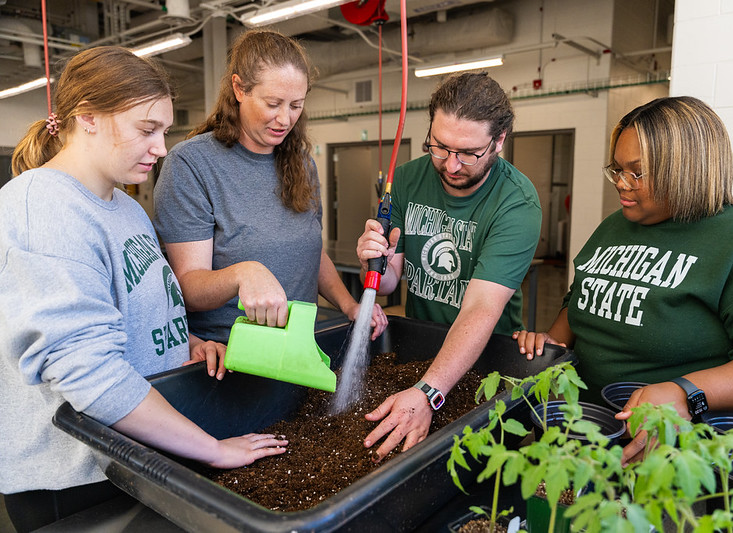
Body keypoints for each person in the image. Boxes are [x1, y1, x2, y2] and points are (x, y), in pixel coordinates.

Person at [0, 47, 288, 533]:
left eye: (165, 132)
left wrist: (185, 342)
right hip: (75, 482)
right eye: (146, 130)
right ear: (87, 117)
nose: (160, 149)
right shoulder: (42, 206)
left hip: (136, 458)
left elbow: (140, 307)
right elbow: (85, 370)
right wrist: (212, 449)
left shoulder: (126, 207)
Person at [514, 96, 733, 465]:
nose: (621, 183)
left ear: (687, 168)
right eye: (616, 169)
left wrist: (686, 394)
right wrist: (552, 344)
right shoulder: (615, 226)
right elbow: (580, 298)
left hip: (686, 456)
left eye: (637, 172)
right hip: (590, 436)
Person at [153, 29, 386, 343]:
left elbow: (310, 254)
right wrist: (242, 273)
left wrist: (349, 304)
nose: (284, 119)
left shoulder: (302, 163)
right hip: (228, 356)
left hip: (298, 348)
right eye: (273, 103)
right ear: (239, 89)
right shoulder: (192, 164)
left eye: (295, 105)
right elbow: (190, 288)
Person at [356, 72, 542, 461]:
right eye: (439, 148)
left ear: (500, 140)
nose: (451, 165)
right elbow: (388, 284)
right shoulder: (406, 179)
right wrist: (373, 260)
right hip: (420, 351)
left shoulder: (516, 203)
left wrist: (428, 393)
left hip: (485, 364)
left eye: (468, 153)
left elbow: (480, 309)